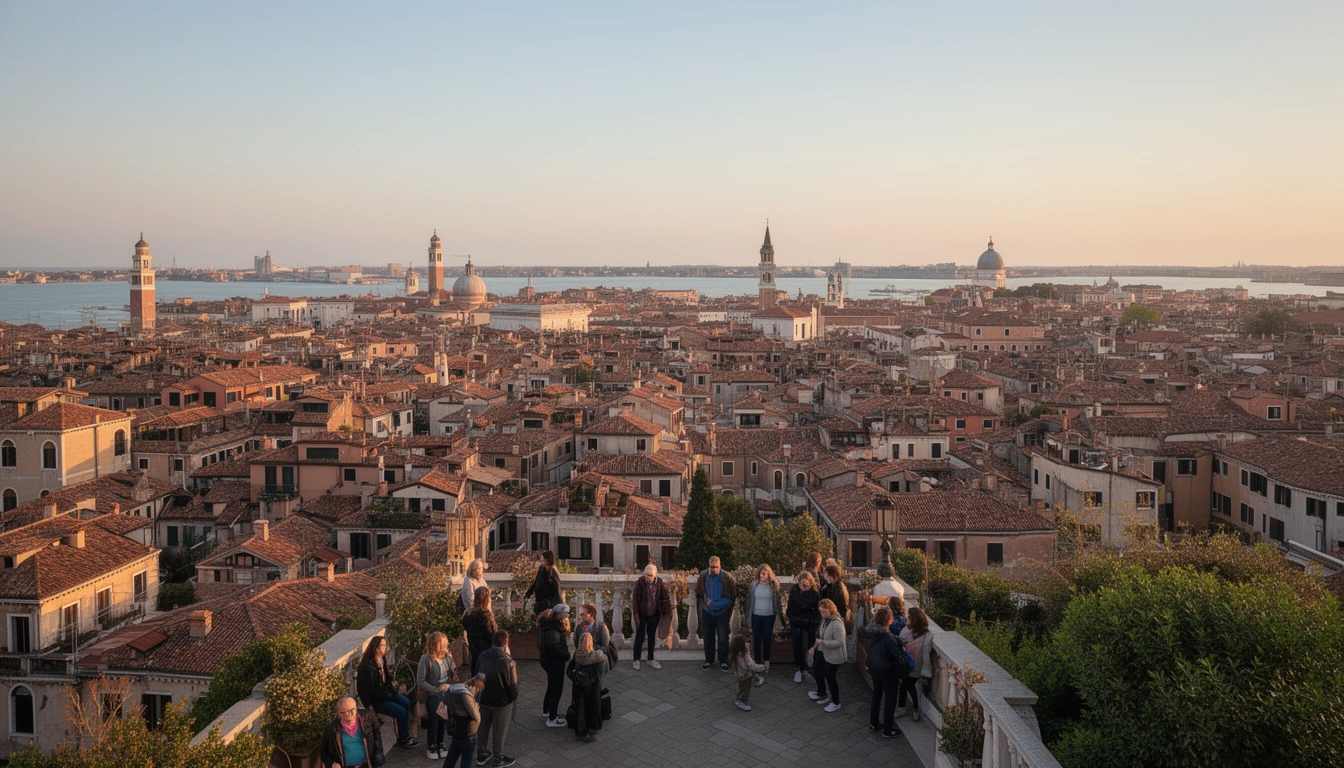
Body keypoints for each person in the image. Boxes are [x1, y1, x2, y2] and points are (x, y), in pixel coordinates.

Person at [355, 636, 418, 748]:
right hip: (376, 699)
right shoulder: (367, 666)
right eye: (383, 645)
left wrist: (391, 688)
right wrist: (384, 695)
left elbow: (387, 678)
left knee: (406, 702)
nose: (386, 648)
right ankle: (403, 737)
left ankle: (405, 730)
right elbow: (370, 690)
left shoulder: (381, 659)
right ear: (376, 648)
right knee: (400, 711)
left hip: (386, 692)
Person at [475, 630, 519, 768]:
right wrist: (513, 698)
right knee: (499, 730)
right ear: (506, 642)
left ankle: (481, 754)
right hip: (501, 701)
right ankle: (498, 758)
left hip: (484, 698)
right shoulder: (508, 661)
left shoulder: (483, 656)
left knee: (482, 727)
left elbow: (477, 674)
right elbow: (513, 685)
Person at [864, 607, 908, 738]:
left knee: (876, 695)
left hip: (874, 668)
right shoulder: (888, 637)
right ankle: (888, 730)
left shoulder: (873, 633)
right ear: (888, 620)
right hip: (886, 671)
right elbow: (895, 658)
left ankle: (874, 724)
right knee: (890, 698)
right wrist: (903, 671)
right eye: (891, 618)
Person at [416, 631, 456, 760]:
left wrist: (448, 685)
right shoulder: (426, 659)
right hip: (433, 693)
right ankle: (431, 745)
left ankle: (441, 743)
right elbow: (420, 681)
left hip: (446, 692)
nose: (446, 648)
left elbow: (453, 676)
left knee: (444, 718)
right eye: (443, 645)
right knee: (435, 717)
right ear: (436, 645)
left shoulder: (447, 658)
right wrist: (435, 690)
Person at [695, 555, 737, 671]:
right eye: (711, 567)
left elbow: (731, 598)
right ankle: (709, 660)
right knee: (708, 637)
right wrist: (706, 605)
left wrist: (713, 604)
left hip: (722, 613)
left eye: (716, 567)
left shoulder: (727, 578)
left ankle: (723, 661)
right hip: (707, 612)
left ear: (720, 566)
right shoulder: (703, 576)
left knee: (723, 637)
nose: (714, 569)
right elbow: (699, 595)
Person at [743, 564, 782, 684]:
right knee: (757, 639)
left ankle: (766, 661)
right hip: (756, 615)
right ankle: (757, 663)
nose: (763, 575)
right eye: (761, 573)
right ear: (759, 574)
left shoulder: (774, 586)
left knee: (766, 639)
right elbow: (749, 602)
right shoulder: (754, 585)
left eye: (765, 573)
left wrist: (779, 617)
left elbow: (778, 603)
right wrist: (747, 618)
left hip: (769, 616)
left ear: (769, 574)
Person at [320, 696, 383, 768]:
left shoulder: (367, 716)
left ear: (356, 708)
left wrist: (378, 751)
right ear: (338, 712)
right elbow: (323, 752)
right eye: (343, 712)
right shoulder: (331, 729)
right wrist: (331, 764)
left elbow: (377, 731)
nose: (347, 714)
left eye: (351, 710)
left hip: (367, 764)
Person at [438, 675, 486, 768]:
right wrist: (475, 702)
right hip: (468, 733)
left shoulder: (453, 690)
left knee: (451, 757)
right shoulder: (466, 696)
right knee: (466, 761)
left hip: (456, 730)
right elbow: (477, 717)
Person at [808, 598, 846, 712]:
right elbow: (820, 635)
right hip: (823, 651)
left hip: (834, 655)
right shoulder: (825, 620)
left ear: (831, 609)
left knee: (830, 676)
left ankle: (836, 702)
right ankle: (822, 693)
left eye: (824, 611)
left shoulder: (837, 624)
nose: (822, 613)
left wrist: (822, 643)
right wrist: (815, 646)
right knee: (816, 669)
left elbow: (839, 642)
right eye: (821, 611)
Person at [567, 632, 606, 742]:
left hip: (579, 685)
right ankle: (594, 726)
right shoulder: (597, 656)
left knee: (581, 707)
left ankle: (581, 729)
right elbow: (602, 671)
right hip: (593, 685)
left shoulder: (577, 655)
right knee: (594, 705)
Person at [631, 563, 671, 671]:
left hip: (654, 613)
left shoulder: (660, 583)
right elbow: (635, 599)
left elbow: (664, 597)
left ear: (655, 575)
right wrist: (635, 614)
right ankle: (636, 659)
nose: (648, 577)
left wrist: (663, 612)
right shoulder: (640, 582)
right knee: (640, 636)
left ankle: (650, 659)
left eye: (650, 575)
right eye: (646, 575)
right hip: (642, 613)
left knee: (652, 637)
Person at [537, 605, 571, 727]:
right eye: (565, 613)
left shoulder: (547, 626)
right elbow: (555, 648)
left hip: (547, 661)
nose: (567, 615)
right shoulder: (554, 629)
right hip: (555, 662)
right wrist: (566, 655)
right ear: (558, 614)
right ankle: (552, 718)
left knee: (551, 686)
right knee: (557, 689)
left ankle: (546, 711)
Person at [786, 570, 821, 684]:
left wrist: (814, 623)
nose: (804, 587)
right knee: (796, 646)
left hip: (808, 624)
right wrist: (791, 617)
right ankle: (799, 668)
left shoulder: (814, 594)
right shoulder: (794, 591)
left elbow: (817, 611)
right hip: (795, 622)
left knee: (806, 647)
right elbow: (790, 606)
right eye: (802, 584)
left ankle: (807, 668)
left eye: (806, 584)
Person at [898, 606, 934, 722]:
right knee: (907, 686)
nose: (907, 619)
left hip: (914, 666)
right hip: (911, 665)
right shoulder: (913, 631)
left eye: (909, 618)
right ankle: (910, 709)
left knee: (906, 686)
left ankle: (909, 709)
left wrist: (926, 670)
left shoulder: (925, 635)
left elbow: (925, 653)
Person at [462, 586, 498, 675]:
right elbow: (491, 634)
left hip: (474, 648)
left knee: (475, 671)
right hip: (486, 651)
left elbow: (465, 626)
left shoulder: (468, 614)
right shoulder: (485, 615)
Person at [729, 634, 767, 712]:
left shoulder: (735, 654)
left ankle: (738, 697)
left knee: (740, 686)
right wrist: (763, 667)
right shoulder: (745, 654)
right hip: (746, 675)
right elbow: (751, 666)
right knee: (746, 689)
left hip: (739, 675)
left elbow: (734, 667)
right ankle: (742, 701)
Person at [572, 602, 611, 674]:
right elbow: (577, 643)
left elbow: (605, 646)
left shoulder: (601, 627)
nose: (581, 616)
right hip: (582, 662)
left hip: (596, 661)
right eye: (581, 614)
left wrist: (595, 654)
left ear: (591, 614)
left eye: (583, 614)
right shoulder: (579, 627)